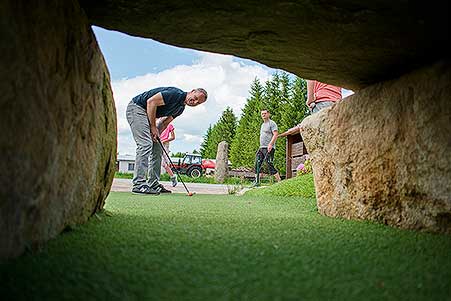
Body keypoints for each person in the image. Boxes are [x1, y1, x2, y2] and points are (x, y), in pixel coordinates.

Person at [126, 86, 207, 195]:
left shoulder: (180, 109)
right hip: (137, 109)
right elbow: (151, 102)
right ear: (192, 91)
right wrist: (153, 127)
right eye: (196, 97)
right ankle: (138, 184)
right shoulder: (175, 94)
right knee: (145, 144)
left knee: (157, 147)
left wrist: (157, 133)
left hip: (147, 115)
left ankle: (153, 184)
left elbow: (164, 123)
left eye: (198, 103)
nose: (195, 102)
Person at [254, 109, 282, 186]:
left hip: (269, 147)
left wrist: (270, 144)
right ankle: (256, 182)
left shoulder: (272, 123)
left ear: (268, 114)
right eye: (262, 114)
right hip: (261, 147)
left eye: (265, 113)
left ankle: (279, 181)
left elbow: (275, 134)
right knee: (257, 163)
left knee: (269, 163)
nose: (263, 115)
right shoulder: (262, 125)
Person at [159, 121, 178, 187]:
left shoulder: (170, 125)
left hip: (165, 144)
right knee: (153, 162)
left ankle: (173, 177)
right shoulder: (157, 123)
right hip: (157, 143)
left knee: (164, 164)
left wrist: (164, 141)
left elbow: (173, 137)